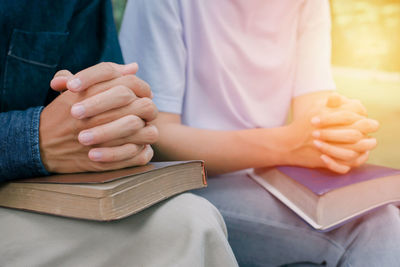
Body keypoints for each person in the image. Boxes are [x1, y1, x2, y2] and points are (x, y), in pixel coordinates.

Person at [119, 0, 400, 266]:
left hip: (272, 182)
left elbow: (314, 108)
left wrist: (339, 130)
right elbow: (157, 136)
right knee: (372, 228)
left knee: (382, 213)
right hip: (186, 185)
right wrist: (288, 145)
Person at [0, 1, 238, 266]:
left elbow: (95, 99)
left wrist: (118, 128)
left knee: (190, 220)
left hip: (32, 196)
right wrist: (32, 139)